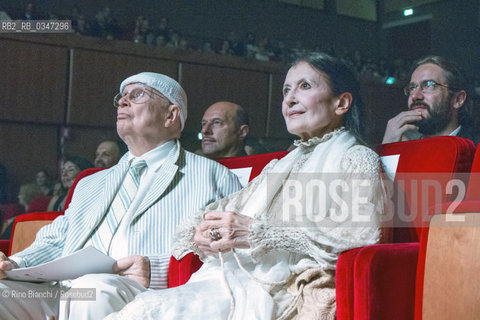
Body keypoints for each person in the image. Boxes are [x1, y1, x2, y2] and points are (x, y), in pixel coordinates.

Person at [107, 53, 388, 319]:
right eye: (286, 90)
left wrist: (257, 232)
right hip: (234, 278)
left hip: (278, 287)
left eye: (304, 86)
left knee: (143, 312)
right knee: (140, 308)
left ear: (341, 103)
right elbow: (219, 211)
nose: (290, 99)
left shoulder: (356, 157)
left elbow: (361, 232)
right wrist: (202, 230)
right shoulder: (279, 165)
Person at [0, 72, 242, 320]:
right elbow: (56, 240)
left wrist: (156, 269)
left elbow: (227, 257)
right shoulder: (91, 182)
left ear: (171, 115)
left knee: (93, 290)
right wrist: (14, 264)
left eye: (137, 95)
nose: (123, 102)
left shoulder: (212, 176)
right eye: (121, 97)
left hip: (144, 293)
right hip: (63, 290)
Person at [382, 55, 477, 144]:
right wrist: (387, 149)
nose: (415, 96)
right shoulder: (403, 147)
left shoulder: (475, 151)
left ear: (458, 99)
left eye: (429, 85)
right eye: (412, 87)